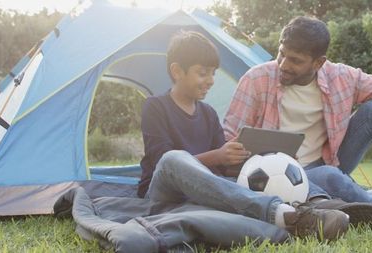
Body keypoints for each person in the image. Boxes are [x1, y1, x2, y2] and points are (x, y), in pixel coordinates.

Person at [223, 16, 372, 217]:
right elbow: (228, 141)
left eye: (295, 60)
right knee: (331, 177)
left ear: (318, 62)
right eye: (281, 53)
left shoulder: (342, 77)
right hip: (278, 172)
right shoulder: (256, 79)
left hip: (329, 161)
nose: (283, 64)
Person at [138, 30, 359, 241]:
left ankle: (314, 208)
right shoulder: (155, 107)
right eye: (202, 73)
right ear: (177, 71)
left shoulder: (208, 114)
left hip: (201, 196)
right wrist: (217, 156)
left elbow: (223, 170)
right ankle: (285, 215)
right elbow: (162, 166)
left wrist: (252, 155)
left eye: (213, 73)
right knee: (173, 159)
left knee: (275, 169)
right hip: (162, 194)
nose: (211, 80)